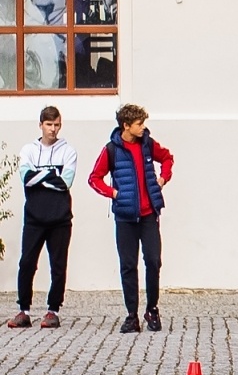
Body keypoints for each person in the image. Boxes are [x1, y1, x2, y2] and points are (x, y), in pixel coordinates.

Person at [88, 104, 173, 334]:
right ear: (126, 126)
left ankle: (152, 309)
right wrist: (113, 193)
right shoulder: (111, 150)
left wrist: (163, 178)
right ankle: (132, 315)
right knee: (128, 265)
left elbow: (167, 158)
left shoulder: (147, 144)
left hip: (148, 215)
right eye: (139, 124)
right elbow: (94, 178)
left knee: (153, 261)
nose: (143, 127)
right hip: (125, 217)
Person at [8, 106, 76, 329]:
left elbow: (65, 182)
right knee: (27, 262)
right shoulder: (28, 150)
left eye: (56, 125)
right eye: (49, 125)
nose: (53, 129)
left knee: (58, 265)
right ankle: (23, 310)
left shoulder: (68, 152)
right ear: (41, 125)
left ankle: (52, 310)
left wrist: (40, 177)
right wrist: (52, 174)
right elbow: (26, 178)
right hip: (34, 217)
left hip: (60, 218)